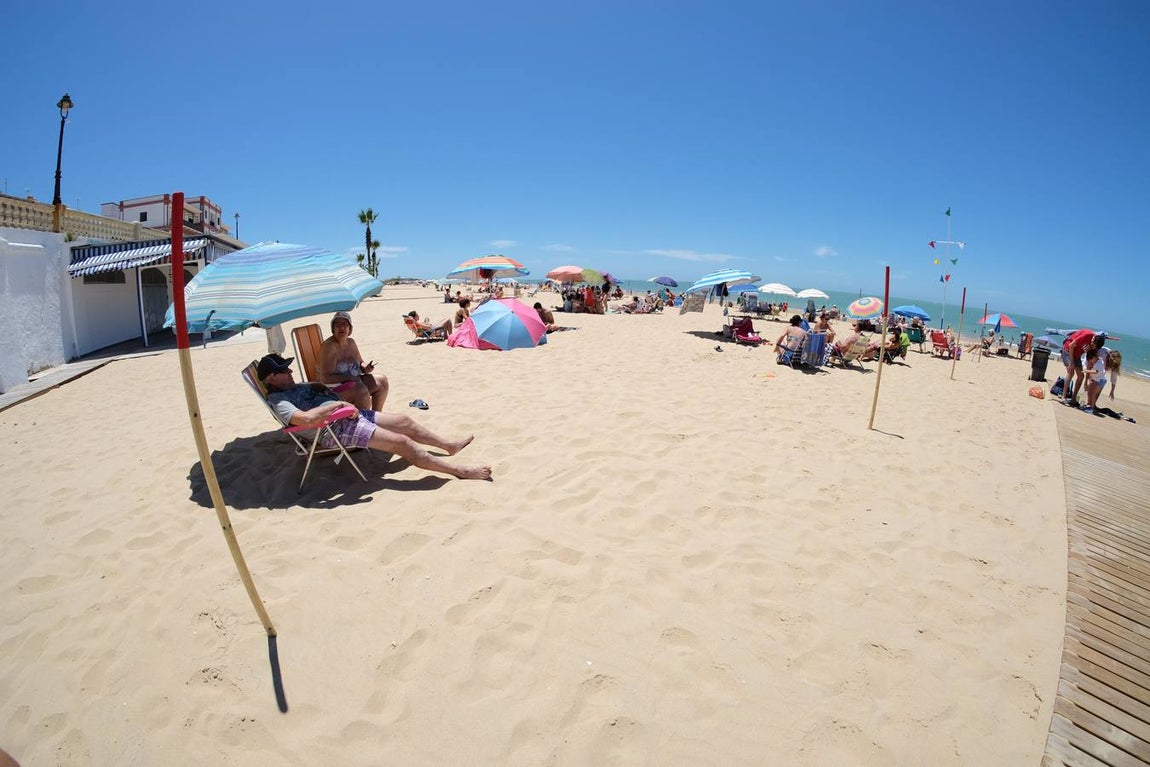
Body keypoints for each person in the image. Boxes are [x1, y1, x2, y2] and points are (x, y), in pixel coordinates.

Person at [258, 354, 492, 481]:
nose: (290, 371)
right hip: (332, 430)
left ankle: (448, 446)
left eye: (288, 368)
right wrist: (339, 404)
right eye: (283, 370)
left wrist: (324, 390)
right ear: (270, 379)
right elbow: (306, 420)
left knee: (403, 421)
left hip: (347, 415)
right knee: (402, 443)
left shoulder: (294, 387)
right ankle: (460, 471)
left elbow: (319, 387)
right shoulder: (280, 401)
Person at [318, 311, 388, 410]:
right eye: (337, 324)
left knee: (382, 381)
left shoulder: (351, 342)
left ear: (350, 328)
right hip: (332, 389)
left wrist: (365, 367)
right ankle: (366, 418)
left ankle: (376, 415)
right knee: (361, 390)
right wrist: (350, 377)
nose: (341, 327)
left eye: (345, 324)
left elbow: (360, 362)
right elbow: (325, 378)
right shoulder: (329, 347)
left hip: (353, 382)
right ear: (332, 329)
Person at [1061, 329, 1106, 406]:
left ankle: (1073, 399)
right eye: (1093, 345)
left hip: (1077, 354)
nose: (1093, 347)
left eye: (1094, 347)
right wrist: (1072, 362)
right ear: (1093, 340)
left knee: (1081, 376)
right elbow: (1071, 345)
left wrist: (1086, 380)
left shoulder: (1093, 345)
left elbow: (1089, 359)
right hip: (1068, 350)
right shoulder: (1087, 335)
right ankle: (1063, 397)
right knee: (1071, 372)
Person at [1083, 347, 1106, 414]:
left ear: (1094, 357)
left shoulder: (1099, 363)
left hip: (1097, 380)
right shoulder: (1097, 362)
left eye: (1091, 360)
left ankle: (1091, 408)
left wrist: (1086, 371)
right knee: (1090, 393)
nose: (1091, 362)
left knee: (1092, 394)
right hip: (1095, 379)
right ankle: (1090, 406)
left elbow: (1096, 371)